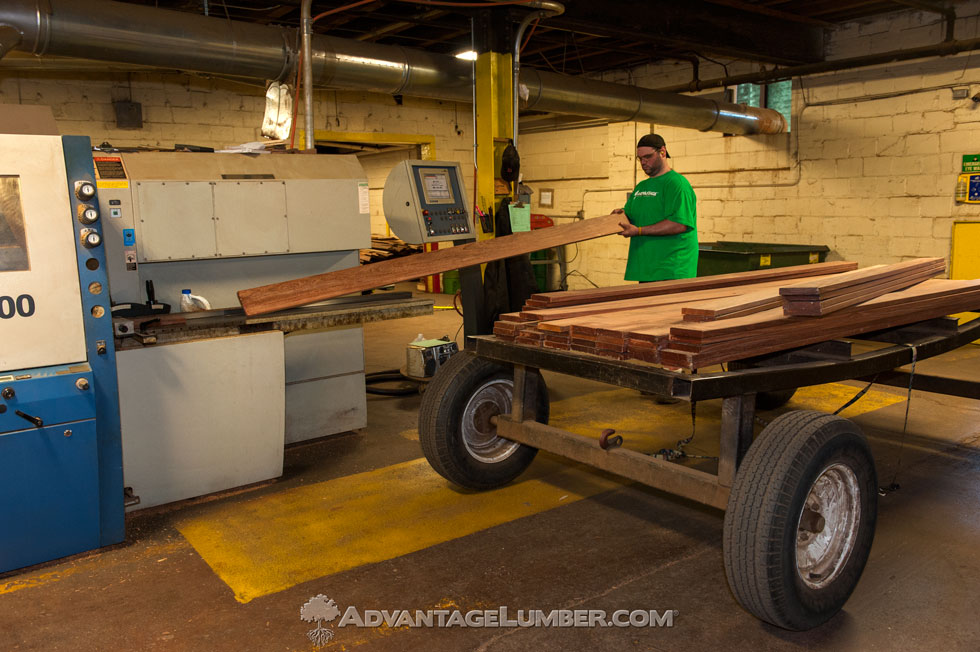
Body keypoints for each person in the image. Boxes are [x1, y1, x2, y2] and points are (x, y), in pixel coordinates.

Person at [614, 134, 698, 282]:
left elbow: (679, 224)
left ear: (662, 152)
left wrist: (639, 231)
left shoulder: (676, 184)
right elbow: (631, 214)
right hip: (646, 270)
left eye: (648, 157)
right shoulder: (641, 187)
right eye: (640, 159)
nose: (643, 162)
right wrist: (619, 216)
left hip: (671, 271)